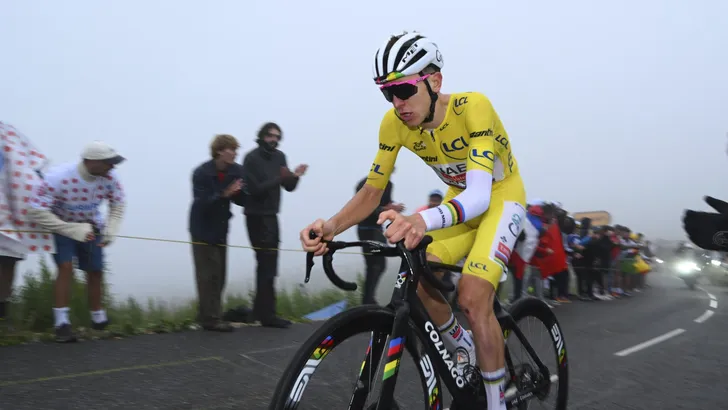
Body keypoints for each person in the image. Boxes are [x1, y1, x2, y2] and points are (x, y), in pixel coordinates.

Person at [299, 32, 527, 410]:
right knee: (420, 277)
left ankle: (496, 402)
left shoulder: (474, 107)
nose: (397, 103)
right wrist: (331, 227)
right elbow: (372, 191)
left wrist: (420, 219)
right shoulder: (394, 124)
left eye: (404, 89)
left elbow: (479, 195)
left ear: (434, 81)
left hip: (499, 198)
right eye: (388, 93)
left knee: (472, 298)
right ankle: (465, 346)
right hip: (458, 203)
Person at [28, 141, 126, 343]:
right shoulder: (58, 177)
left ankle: (98, 317)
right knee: (65, 267)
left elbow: (118, 203)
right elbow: (36, 210)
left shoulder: (109, 178)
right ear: (91, 161)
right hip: (62, 226)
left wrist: (111, 229)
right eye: (108, 162)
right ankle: (61, 323)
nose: (112, 167)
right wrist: (69, 229)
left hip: (91, 226)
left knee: (95, 270)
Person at [242, 122, 308, 329]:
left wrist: (295, 177)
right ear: (262, 136)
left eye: (277, 137)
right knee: (266, 264)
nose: (274, 140)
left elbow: (288, 186)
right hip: (256, 216)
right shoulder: (251, 158)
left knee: (269, 265)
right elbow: (254, 189)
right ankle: (267, 315)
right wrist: (280, 178)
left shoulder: (280, 157)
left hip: (272, 215)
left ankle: (261, 312)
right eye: (270, 136)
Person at [189, 134, 246, 332]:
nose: (235, 153)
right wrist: (225, 194)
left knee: (220, 275)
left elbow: (242, 199)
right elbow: (202, 202)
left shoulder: (237, 171)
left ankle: (208, 314)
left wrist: (240, 194)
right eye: (232, 149)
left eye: (236, 149)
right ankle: (211, 319)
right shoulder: (201, 173)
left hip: (221, 228)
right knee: (207, 275)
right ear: (220, 151)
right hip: (202, 228)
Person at [0, 122, 54, 330]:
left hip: (11, 213)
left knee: (8, 262)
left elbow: (33, 166)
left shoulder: (8, 134)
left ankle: (2, 314)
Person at [355, 176, 405, 305]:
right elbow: (366, 208)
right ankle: (368, 300)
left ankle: (368, 299)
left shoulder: (388, 184)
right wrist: (389, 209)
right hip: (367, 230)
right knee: (376, 265)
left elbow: (386, 204)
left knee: (377, 265)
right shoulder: (365, 183)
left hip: (375, 229)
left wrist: (392, 208)